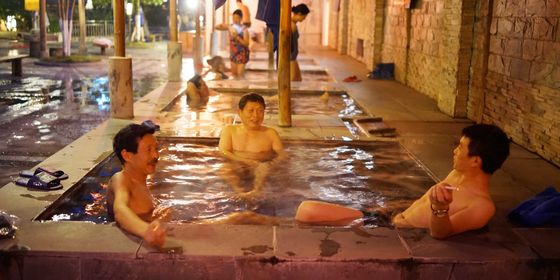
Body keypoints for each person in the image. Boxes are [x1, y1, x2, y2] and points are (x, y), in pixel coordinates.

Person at [295, 124, 510, 239]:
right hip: (389, 218)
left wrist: (440, 209)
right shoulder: (457, 176)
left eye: (460, 148)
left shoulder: (482, 206)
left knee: (307, 212)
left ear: (475, 161)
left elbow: (441, 233)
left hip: (393, 232)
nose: (454, 151)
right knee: (306, 210)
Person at [107, 124, 167, 247]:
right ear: (127, 155)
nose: (156, 156)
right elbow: (120, 209)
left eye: (156, 149)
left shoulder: (141, 181)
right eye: (148, 150)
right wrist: (146, 231)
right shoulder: (121, 179)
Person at [218, 93, 285, 199]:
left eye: (260, 111)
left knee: (264, 168)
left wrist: (271, 164)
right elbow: (223, 151)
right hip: (237, 165)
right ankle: (239, 193)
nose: (255, 116)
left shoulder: (270, 133)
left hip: (260, 166)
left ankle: (256, 192)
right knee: (224, 169)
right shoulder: (230, 130)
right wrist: (244, 161)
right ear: (240, 112)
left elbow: (282, 155)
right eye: (251, 111)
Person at [216, 10, 250, 79]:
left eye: (237, 18)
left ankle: (244, 88)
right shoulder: (231, 27)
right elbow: (216, 27)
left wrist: (237, 37)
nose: (235, 20)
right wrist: (227, 26)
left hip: (242, 54)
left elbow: (246, 43)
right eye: (233, 18)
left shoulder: (244, 29)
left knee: (240, 75)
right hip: (233, 53)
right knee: (234, 75)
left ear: (241, 19)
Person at [290, 4, 310, 81]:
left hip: (292, 57)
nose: (304, 19)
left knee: (298, 80)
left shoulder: (292, 24)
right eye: (304, 16)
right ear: (299, 14)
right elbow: (290, 44)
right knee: (294, 80)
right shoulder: (292, 26)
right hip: (291, 57)